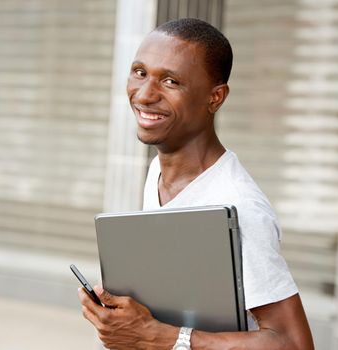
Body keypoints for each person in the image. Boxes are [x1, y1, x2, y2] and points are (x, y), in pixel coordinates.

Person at [78, 18, 314, 350]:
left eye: (171, 81)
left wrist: (161, 337)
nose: (144, 95)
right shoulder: (159, 171)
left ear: (215, 98)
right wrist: (126, 318)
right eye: (140, 72)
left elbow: (293, 343)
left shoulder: (237, 204)